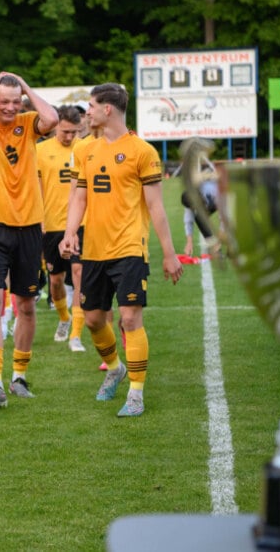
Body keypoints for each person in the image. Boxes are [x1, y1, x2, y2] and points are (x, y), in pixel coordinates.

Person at [60, 83, 183, 417]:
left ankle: (136, 393)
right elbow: (79, 197)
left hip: (130, 247)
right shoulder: (84, 149)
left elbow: (156, 208)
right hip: (94, 250)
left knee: (129, 318)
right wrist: (70, 232)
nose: (88, 113)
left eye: (91, 106)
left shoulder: (143, 151)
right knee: (95, 321)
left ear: (107, 110)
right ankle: (114, 367)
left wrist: (170, 254)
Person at [0, 72, 58, 407]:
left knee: (26, 305)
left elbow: (53, 119)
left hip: (30, 228)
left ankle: (19, 376)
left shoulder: (29, 121)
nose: (10, 107)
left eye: (15, 101)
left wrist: (26, 89)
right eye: (3, 101)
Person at [36, 104, 87, 350]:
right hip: (52, 225)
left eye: (74, 132)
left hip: (81, 223)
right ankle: (65, 319)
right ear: (55, 126)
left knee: (79, 274)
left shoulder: (86, 148)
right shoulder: (40, 150)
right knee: (56, 281)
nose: (69, 137)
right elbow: (36, 188)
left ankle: (76, 334)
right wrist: (40, 218)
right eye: (65, 131)